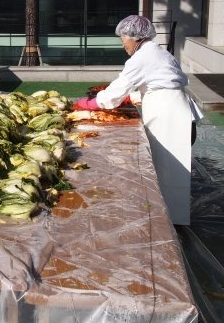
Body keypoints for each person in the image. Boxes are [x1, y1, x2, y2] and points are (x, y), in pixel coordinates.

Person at [74, 15, 202, 226]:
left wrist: (91, 103)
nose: (122, 43)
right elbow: (158, 83)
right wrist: (131, 97)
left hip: (168, 115)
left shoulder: (142, 57)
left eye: (123, 38)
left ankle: (170, 221)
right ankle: (168, 214)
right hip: (172, 107)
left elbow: (117, 88)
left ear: (135, 37)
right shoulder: (157, 51)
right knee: (167, 166)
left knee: (169, 167)